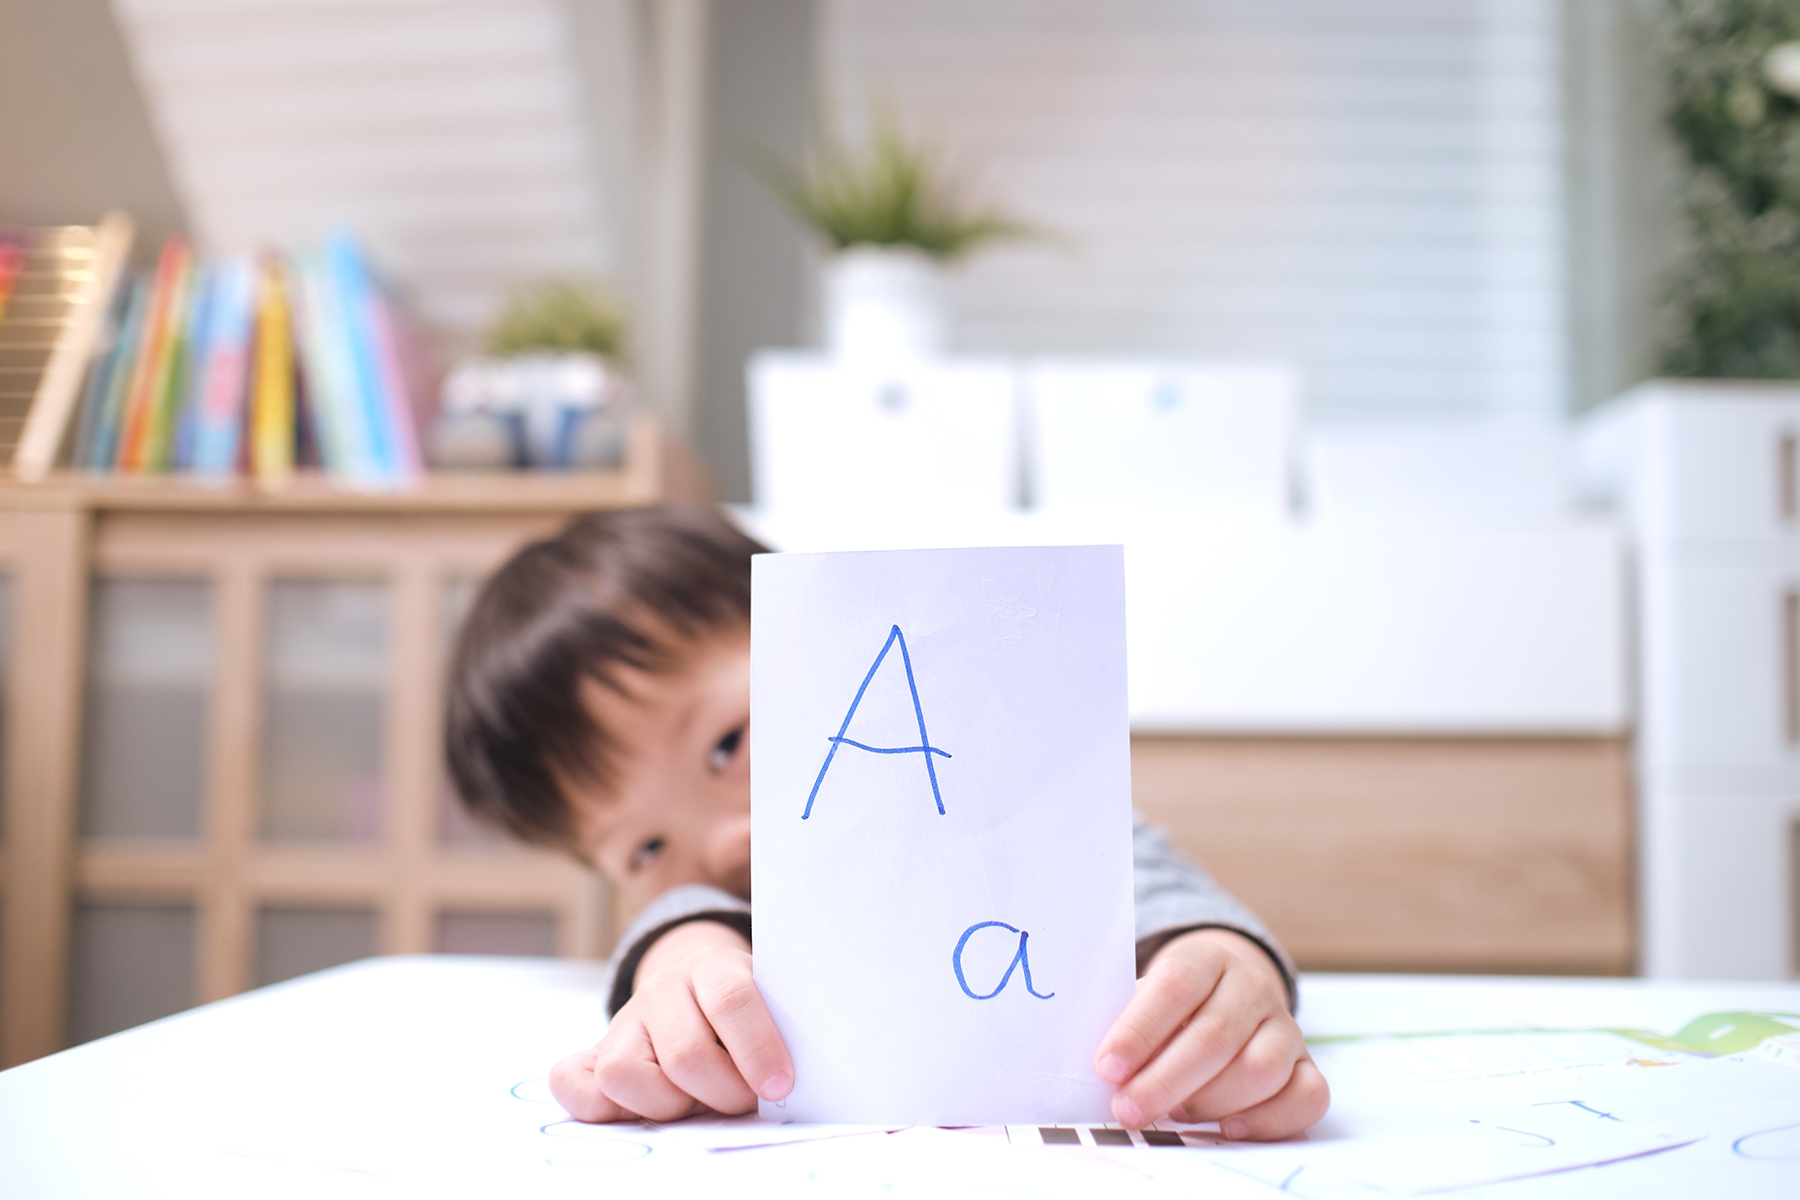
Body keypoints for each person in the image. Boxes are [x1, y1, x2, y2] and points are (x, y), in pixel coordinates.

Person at [445, 504, 1328, 1139]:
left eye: (725, 745)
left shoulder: (994, 790)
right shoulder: (710, 913)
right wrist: (678, 963)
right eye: (644, 847)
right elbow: (686, 928)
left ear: (822, 635)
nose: (727, 844)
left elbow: (1142, 877)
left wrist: (1223, 966)